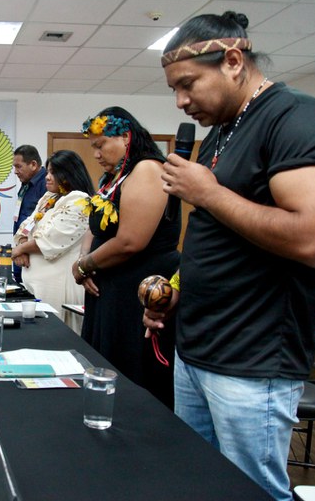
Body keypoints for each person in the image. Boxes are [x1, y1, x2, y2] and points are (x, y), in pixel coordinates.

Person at [143, 11, 315, 501]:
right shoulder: (224, 130)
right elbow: (218, 236)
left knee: (248, 492)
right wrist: (176, 294)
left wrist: (207, 194)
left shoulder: (295, 117)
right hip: (197, 348)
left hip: (252, 360)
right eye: (174, 88)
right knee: (198, 482)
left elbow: (314, 239)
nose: (181, 100)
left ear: (233, 61)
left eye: (188, 84)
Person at [73, 107, 180, 408]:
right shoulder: (114, 178)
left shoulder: (147, 169)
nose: (95, 154)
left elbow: (131, 241)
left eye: (100, 144)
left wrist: (83, 265)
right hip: (110, 287)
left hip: (138, 289)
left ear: (125, 136)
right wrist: (84, 259)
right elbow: (95, 228)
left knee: (133, 375)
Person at [12, 150, 93, 333]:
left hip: (59, 287)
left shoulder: (80, 201)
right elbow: (25, 226)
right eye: (47, 172)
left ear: (69, 174)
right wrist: (22, 247)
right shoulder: (49, 197)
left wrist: (20, 249)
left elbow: (50, 240)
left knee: (57, 338)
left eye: (53, 173)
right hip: (35, 285)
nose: (47, 177)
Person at [12, 145, 47, 283]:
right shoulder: (26, 183)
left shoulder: (45, 185)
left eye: (18, 166)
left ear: (33, 164)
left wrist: (24, 249)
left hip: (32, 254)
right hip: (21, 247)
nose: (15, 171)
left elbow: (43, 225)